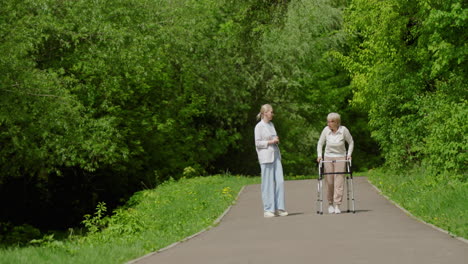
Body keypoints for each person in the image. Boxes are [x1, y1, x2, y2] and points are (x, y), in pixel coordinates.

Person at [254, 104, 288, 218]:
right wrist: (270, 142)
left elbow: (274, 137)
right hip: (266, 157)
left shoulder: (271, 124)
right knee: (267, 183)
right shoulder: (259, 126)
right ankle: (268, 209)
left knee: (280, 181)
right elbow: (258, 143)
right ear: (265, 113)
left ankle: (280, 208)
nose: (272, 114)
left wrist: (276, 140)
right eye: (271, 112)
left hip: (276, 155)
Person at [317, 112, 354, 214]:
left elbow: (351, 142)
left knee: (339, 182)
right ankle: (330, 204)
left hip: (341, 157)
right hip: (328, 157)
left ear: (337, 122)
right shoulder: (326, 130)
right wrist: (319, 155)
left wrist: (349, 154)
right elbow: (320, 143)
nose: (329, 123)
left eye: (331, 121)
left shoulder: (343, 130)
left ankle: (337, 205)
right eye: (328, 121)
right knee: (329, 182)